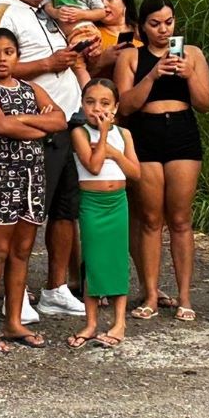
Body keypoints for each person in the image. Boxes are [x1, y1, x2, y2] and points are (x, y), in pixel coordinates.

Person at [0, 0, 92, 320]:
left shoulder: (41, 11)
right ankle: (16, 293)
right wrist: (47, 63)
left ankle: (56, 287)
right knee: (27, 212)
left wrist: (75, 53)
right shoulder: (3, 13)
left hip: (65, 120)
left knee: (64, 209)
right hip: (30, 129)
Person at [116, 0, 209, 321]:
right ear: (142, 26)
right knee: (150, 220)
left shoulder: (193, 54)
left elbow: (205, 103)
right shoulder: (131, 56)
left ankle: (186, 297)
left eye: (168, 22)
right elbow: (125, 106)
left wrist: (189, 74)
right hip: (145, 133)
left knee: (181, 219)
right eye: (155, 24)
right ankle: (150, 294)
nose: (162, 29)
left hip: (183, 133)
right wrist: (153, 75)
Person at [0, 28, 68, 353]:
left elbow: (60, 120)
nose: (2, 58)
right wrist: (36, 125)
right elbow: (0, 125)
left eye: (8, 52)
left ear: (17, 55)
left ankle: (13, 321)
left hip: (32, 177)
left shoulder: (32, 88)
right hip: (0, 173)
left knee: (22, 250)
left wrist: (23, 121)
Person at [68, 79, 141, 349]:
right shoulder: (80, 133)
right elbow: (95, 166)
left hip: (117, 202)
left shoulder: (124, 135)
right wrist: (103, 137)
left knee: (117, 260)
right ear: (82, 104)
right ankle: (90, 322)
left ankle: (119, 322)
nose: (97, 108)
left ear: (116, 107)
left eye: (105, 103)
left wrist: (114, 151)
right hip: (92, 203)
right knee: (93, 260)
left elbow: (136, 173)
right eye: (90, 102)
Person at [89, 0, 141, 79]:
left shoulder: (144, 31)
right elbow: (76, 81)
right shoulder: (89, 33)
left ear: (125, 2)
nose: (103, 4)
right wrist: (102, 62)